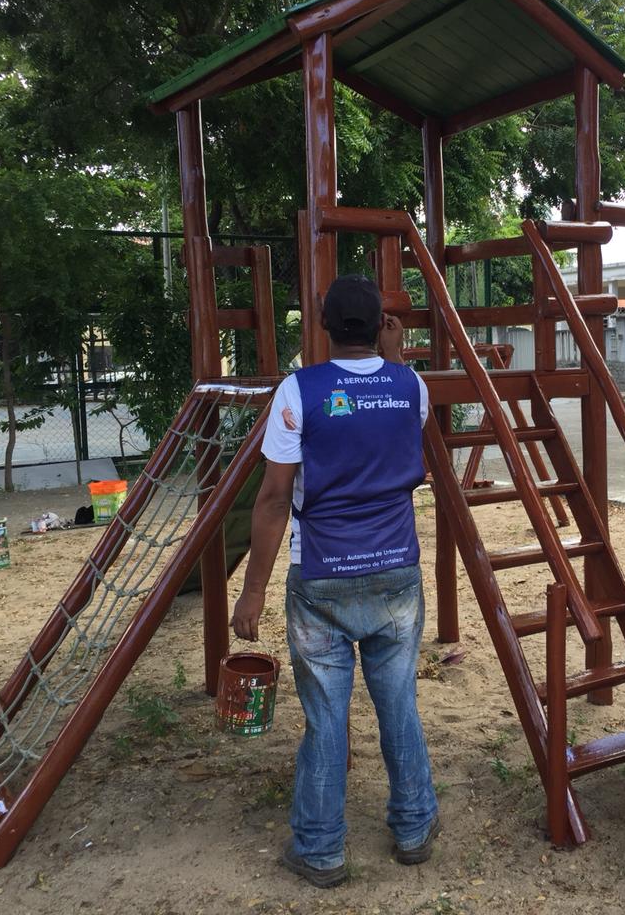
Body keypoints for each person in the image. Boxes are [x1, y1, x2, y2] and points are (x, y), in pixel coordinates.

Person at [231, 275, 438, 889]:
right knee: (398, 701)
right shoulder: (413, 385)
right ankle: (414, 827)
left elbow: (272, 500)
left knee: (326, 717)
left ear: (321, 327)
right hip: (396, 572)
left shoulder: (299, 391)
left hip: (320, 576)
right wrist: (395, 357)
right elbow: (396, 402)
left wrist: (253, 589)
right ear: (380, 326)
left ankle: (321, 851)